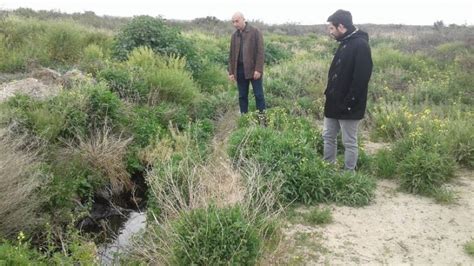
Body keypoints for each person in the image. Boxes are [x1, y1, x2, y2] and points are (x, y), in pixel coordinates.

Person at [322, 9, 373, 171]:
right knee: (328, 137)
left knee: (349, 142)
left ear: (341, 27)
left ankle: (348, 176)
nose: (330, 32)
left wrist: (349, 103)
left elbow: (361, 79)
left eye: (332, 28)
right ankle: (327, 169)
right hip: (333, 102)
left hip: (349, 104)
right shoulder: (345, 42)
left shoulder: (360, 45)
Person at [228, 12, 266, 120]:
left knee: (258, 95)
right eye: (233, 22)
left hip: (254, 70)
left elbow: (260, 52)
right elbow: (231, 55)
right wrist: (231, 72)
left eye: (237, 21)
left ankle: (262, 119)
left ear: (243, 19)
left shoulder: (255, 32)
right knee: (242, 96)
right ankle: (244, 119)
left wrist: (258, 69)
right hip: (239, 70)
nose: (235, 24)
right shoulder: (234, 36)